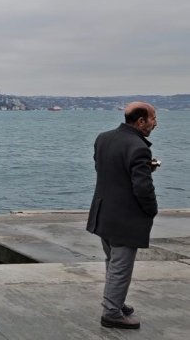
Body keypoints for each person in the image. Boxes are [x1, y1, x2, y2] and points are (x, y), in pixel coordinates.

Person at [86, 101, 159, 330]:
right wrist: (151, 210)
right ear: (140, 121)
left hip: (103, 213)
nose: (155, 123)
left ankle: (114, 301)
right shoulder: (138, 147)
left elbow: (105, 169)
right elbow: (142, 189)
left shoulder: (103, 138)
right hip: (124, 218)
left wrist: (145, 167)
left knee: (112, 261)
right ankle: (112, 313)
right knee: (121, 265)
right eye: (153, 118)